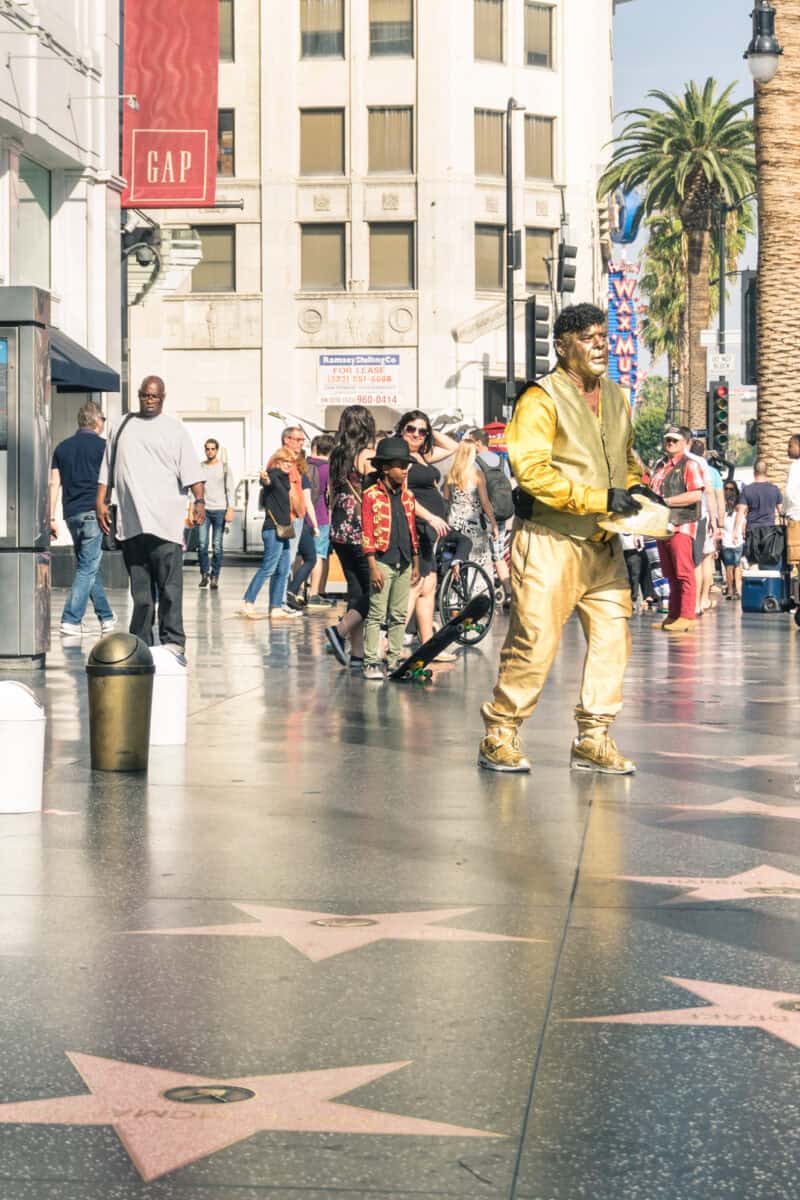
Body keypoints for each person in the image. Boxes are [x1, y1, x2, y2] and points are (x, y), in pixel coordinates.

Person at [478, 302, 644, 775]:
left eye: (603, 335)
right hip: (550, 539)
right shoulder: (541, 397)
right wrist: (598, 497)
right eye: (588, 337)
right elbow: (529, 471)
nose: (600, 344)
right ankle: (500, 733)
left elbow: (626, 459)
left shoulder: (615, 396)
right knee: (535, 639)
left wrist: (634, 491)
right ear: (563, 345)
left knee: (614, 639)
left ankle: (593, 737)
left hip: (604, 543)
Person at [97, 376, 205, 653]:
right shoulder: (121, 425)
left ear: (163, 397)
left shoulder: (174, 430)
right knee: (141, 592)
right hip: (132, 524)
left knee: (170, 588)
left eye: (154, 396)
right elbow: (106, 469)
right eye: (145, 395)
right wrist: (100, 501)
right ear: (138, 395)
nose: (149, 400)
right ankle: (141, 640)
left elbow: (192, 471)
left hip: (165, 523)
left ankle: (173, 641)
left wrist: (200, 501)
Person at [50, 401, 116, 637]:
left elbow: (54, 482)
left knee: (89, 566)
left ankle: (106, 617)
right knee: (88, 568)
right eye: (103, 421)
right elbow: (112, 481)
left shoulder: (62, 448)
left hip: (71, 514)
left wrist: (50, 517)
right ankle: (70, 619)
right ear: (97, 421)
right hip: (94, 512)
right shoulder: (104, 448)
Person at [361, 437, 420, 680]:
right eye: (400, 465)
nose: (405, 470)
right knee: (376, 614)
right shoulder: (371, 495)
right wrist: (373, 566)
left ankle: (394, 660)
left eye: (406, 465)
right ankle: (370, 661)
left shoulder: (408, 497)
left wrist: (416, 562)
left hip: (404, 561)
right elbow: (367, 533)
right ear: (385, 468)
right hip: (383, 561)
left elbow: (412, 531)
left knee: (398, 615)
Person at [395, 410, 455, 647]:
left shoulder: (421, 455)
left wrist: (432, 430)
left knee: (429, 585)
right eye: (411, 429)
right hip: (418, 524)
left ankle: (428, 644)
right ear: (402, 430)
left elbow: (453, 447)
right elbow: (404, 494)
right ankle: (394, 643)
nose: (416, 434)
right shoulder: (401, 457)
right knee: (417, 583)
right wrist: (430, 517)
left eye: (422, 430)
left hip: (432, 529)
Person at [326, 406, 376, 668]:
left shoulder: (336, 455)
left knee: (356, 591)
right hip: (361, 529)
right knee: (375, 592)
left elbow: (331, 494)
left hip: (338, 529)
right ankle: (340, 630)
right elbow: (376, 494)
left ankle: (357, 655)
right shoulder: (368, 456)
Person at [649, 427, 705, 633]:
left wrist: (666, 502)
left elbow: (696, 495)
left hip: (681, 525)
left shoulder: (690, 465)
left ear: (685, 443)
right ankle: (673, 615)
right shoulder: (661, 465)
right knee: (669, 573)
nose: (670, 443)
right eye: (668, 440)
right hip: (662, 525)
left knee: (683, 572)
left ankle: (686, 615)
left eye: (674, 440)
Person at [240, 448, 302, 621]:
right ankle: (248, 601)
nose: (289, 464)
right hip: (273, 529)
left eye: (291, 462)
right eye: (285, 461)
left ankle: (275, 608)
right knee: (268, 568)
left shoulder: (285, 479)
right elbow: (267, 481)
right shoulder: (274, 475)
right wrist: (264, 478)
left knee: (283, 569)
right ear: (277, 462)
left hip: (284, 529)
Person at [466, 427, 514, 608]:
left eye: (471, 441)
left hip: (481, 514)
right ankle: (509, 593)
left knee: (478, 555)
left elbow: (474, 489)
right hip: (500, 514)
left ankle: (480, 596)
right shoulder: (501, 461)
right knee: (498, 555)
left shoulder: (475, 462)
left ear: (477, 442)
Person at [443, 439, 498, 575]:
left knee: (455, 559)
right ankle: (475, 594)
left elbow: (445, 499)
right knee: (477, 564)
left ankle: (454, 589)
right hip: (473, 525)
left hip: (453, 523)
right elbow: (485, 502)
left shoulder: (451, 474)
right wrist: (494, 523)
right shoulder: (477, 474)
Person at [295, 432, 335, 609]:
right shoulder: (330, 469)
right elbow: (331, 496)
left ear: (314, 448)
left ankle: (297, 590)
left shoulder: (301, 466)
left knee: (299, 555)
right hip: (321, 517)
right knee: (319, 555)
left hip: (300, 515)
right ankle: (314, 594)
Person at [689, 437, 724, 614]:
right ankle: (702, 600)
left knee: (694, 561)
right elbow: (719, 498)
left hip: (690, 518)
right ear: (703, 453)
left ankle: (694, 601)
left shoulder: (686, 464)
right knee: (706, 560)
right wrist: (719, 522)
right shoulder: (711, 471)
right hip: (705, 518)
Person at [198, 438, 235, 590]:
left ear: (217, 450)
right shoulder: (200, 467)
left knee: (217, 545)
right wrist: (193, 509)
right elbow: (196, 489)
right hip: (204, 510)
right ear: (205, 450)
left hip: (220, 509)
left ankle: (215, 576)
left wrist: (230, 508)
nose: (210, 451)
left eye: (213, 449)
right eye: (207, 449)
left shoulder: (224, 467)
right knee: (202, 545)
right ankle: (204, 575)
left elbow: (230, 489)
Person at [735, 459, 783, 567]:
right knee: (768, 563)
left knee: (753, 563)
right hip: (769, 530)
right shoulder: (774, 490)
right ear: (767, 472)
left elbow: (741, 512)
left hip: (752, 531)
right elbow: (781, 512)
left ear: (754, 472)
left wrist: (735, 531)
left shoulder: (747, 490)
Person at [720, 480, 744, 599]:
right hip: (726, 539)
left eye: (731, 489)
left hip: (738, 539)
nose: (728, 491)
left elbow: (744, 520)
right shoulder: (720, 505)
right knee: (729, 566)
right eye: (726, 489)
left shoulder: (740, 505)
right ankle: (730, 590)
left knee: (737, 565)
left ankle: (738, 590)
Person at [784, 434, 800, 567]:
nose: (788, 449)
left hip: (796, 517)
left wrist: (784, 511)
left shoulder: (795, 466)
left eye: (790, 446)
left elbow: (789, 492)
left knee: (797, 557)